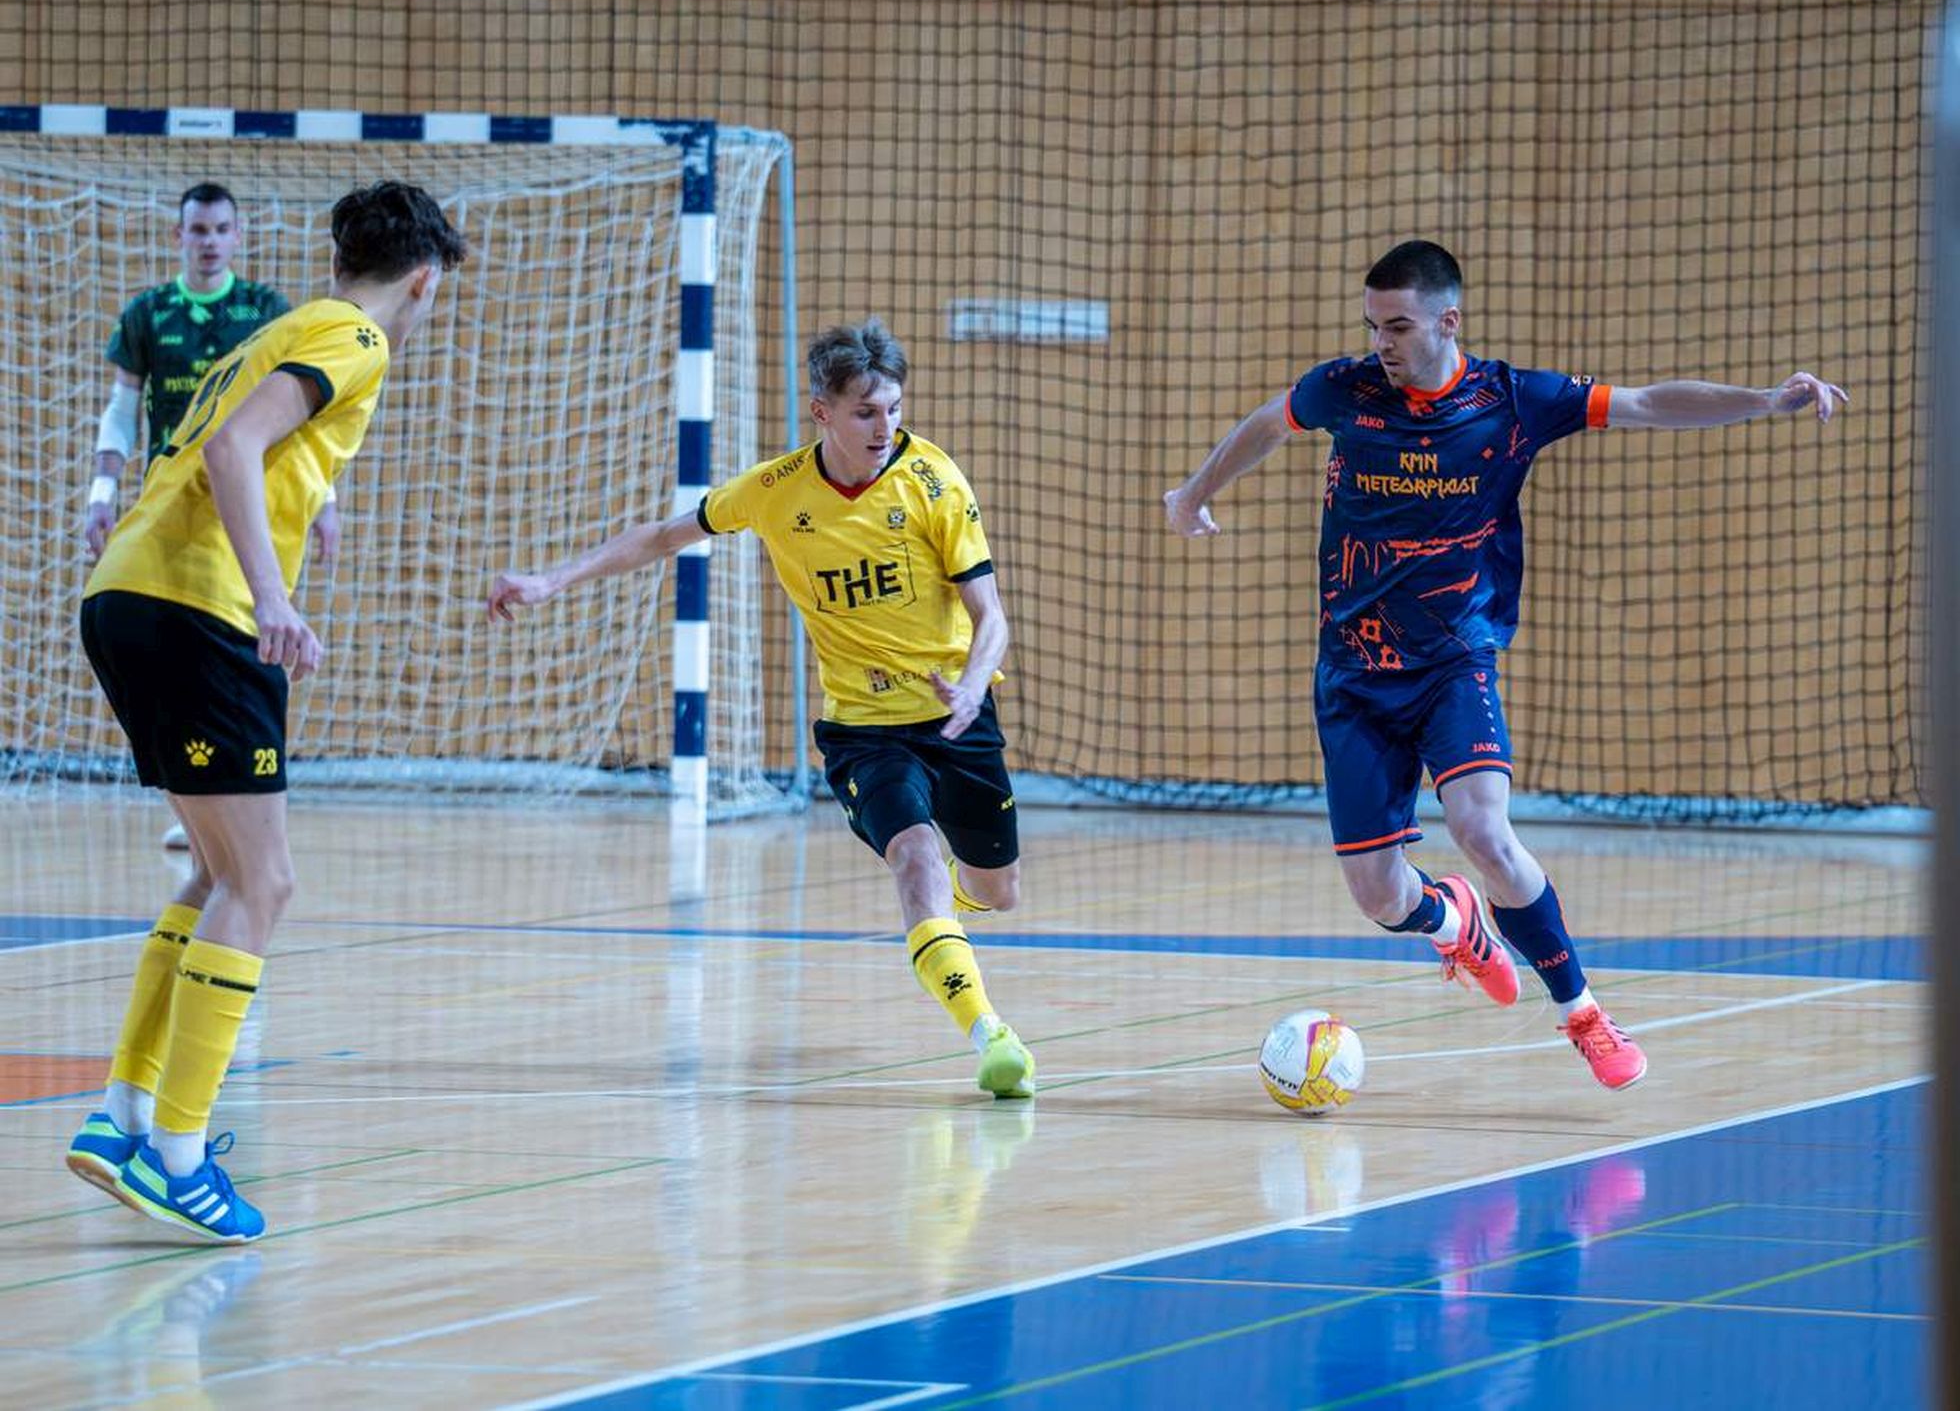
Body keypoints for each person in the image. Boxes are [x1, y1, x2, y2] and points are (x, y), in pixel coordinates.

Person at [1163, 240, 1847, 1090]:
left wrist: (1764, 401)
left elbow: (1644, 403)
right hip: (1353, 673)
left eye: (1398, 326)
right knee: (1378, 896)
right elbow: (1270, 422)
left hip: (1455, 661)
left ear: (1448, 321)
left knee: (1484, 828)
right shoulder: (1346, 390)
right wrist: (1195, 492)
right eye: (1373, 325)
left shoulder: (1514, 401)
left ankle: (1583, 1012)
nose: (1381, 342)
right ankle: (1455, 925)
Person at [488, 318, 1037, 1100]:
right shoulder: (776, 492)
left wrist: (975, 682)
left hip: (958, 717)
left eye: (892, 409)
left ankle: (953, 900)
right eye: (864, 412)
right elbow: (663, 536)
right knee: (913, 856)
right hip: (864, 731)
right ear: (821, 412)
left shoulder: (934, 482)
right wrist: (550, 581)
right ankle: (992, 1037)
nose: (883, 427)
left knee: (996, 892)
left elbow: (991, 616)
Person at [64, 181, 469, 1241]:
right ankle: (179, 1154)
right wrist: (274, 598)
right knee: (264, 881)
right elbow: (232, 447)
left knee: (217, 875)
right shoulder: (355, 339)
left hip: (129, 593)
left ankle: (124, 1118)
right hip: (196, 606)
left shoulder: (284, 325)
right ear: (423, 282)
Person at [82, 183, 310, 850]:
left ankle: (244, 798)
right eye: (198, 230)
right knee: (179, 656)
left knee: (256, 643)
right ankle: (196, 803)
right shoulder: (149, 313)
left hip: (250, 508)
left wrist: (323, 503)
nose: (209, 241)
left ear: (238, 236)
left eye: (220, 229)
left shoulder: (265, 311)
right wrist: (100, 493)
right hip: (173, 512)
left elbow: (300, 416)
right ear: (177, 236)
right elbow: (123, 410)